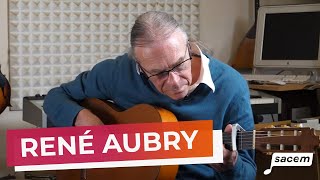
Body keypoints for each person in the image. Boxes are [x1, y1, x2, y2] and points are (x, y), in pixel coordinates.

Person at [44, 11, 256, 179]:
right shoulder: (119, 73)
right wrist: (85, 119)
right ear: (139, 67)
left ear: (189, 47)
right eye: (159, 73)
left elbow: (248, 171)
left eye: (179, 64)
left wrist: (230, 166)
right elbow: (55, 97)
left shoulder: (231, 86)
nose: (174, 81)